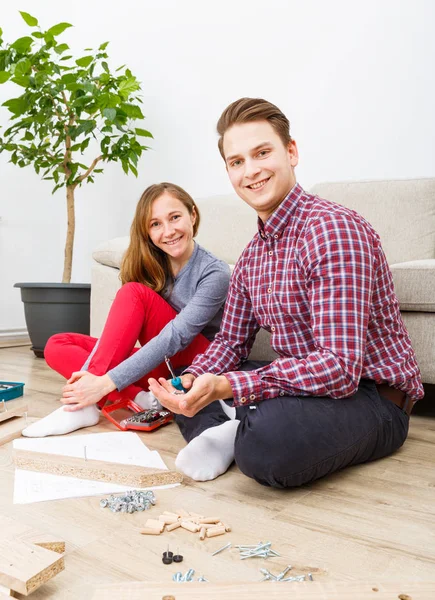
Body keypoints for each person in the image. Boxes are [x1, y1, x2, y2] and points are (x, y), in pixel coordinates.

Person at [148, 98, 424, 487]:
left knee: (266, 443)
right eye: (237, 161)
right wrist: (193, 378)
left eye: (262, 153)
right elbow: (230, 340)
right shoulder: (251, 256)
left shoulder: (332, 230)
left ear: (291, 152)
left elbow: (341, 369)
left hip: (370, 398)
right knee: (192, 385)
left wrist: (230, 387)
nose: (251, 171)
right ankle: (229, 428)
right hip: (303, 388)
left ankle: (236, 428)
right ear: (229, 171)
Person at [22, 182, 230, 437]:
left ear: (193, 215)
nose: (168, 231)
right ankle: (142, 399)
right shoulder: (152, 263)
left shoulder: (215, 272)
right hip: (158, 361)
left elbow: (176, 335)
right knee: (57, 344)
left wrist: (104, 382)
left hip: (195, 364)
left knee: (134, 293)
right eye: (156, 224)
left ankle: (86, 405)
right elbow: (120, 336)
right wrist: (99, 375)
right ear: (147, 231)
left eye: (175, 217)